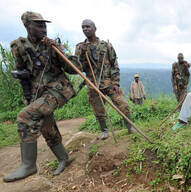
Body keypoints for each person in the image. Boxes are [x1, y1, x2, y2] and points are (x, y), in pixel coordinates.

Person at [3, 11, 82, 182]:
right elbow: (22, 71)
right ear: (27, 26)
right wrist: (28, 95)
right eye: (38, 25)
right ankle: (64, 159)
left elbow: (75, 67)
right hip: (37, 93)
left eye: (44, 25)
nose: (43, 29)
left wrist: (60, 50)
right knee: (47, 126)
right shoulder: (19, 46)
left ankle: (29, 166)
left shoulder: (52, 45)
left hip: (59, 89)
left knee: (25, 116)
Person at [75, 19, 134, 139]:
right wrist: (82, 54)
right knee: (98, 110)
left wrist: (116, 82)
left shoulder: (106, 46)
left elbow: (114, 64)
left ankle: (130, 127)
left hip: (109, 83)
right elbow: (77, 68)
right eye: (83, 27)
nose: (85, 29)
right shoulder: (80, 47)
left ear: (95, 28)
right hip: (93, 84)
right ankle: (104, 131)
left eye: (88, 26)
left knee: (123, 104)